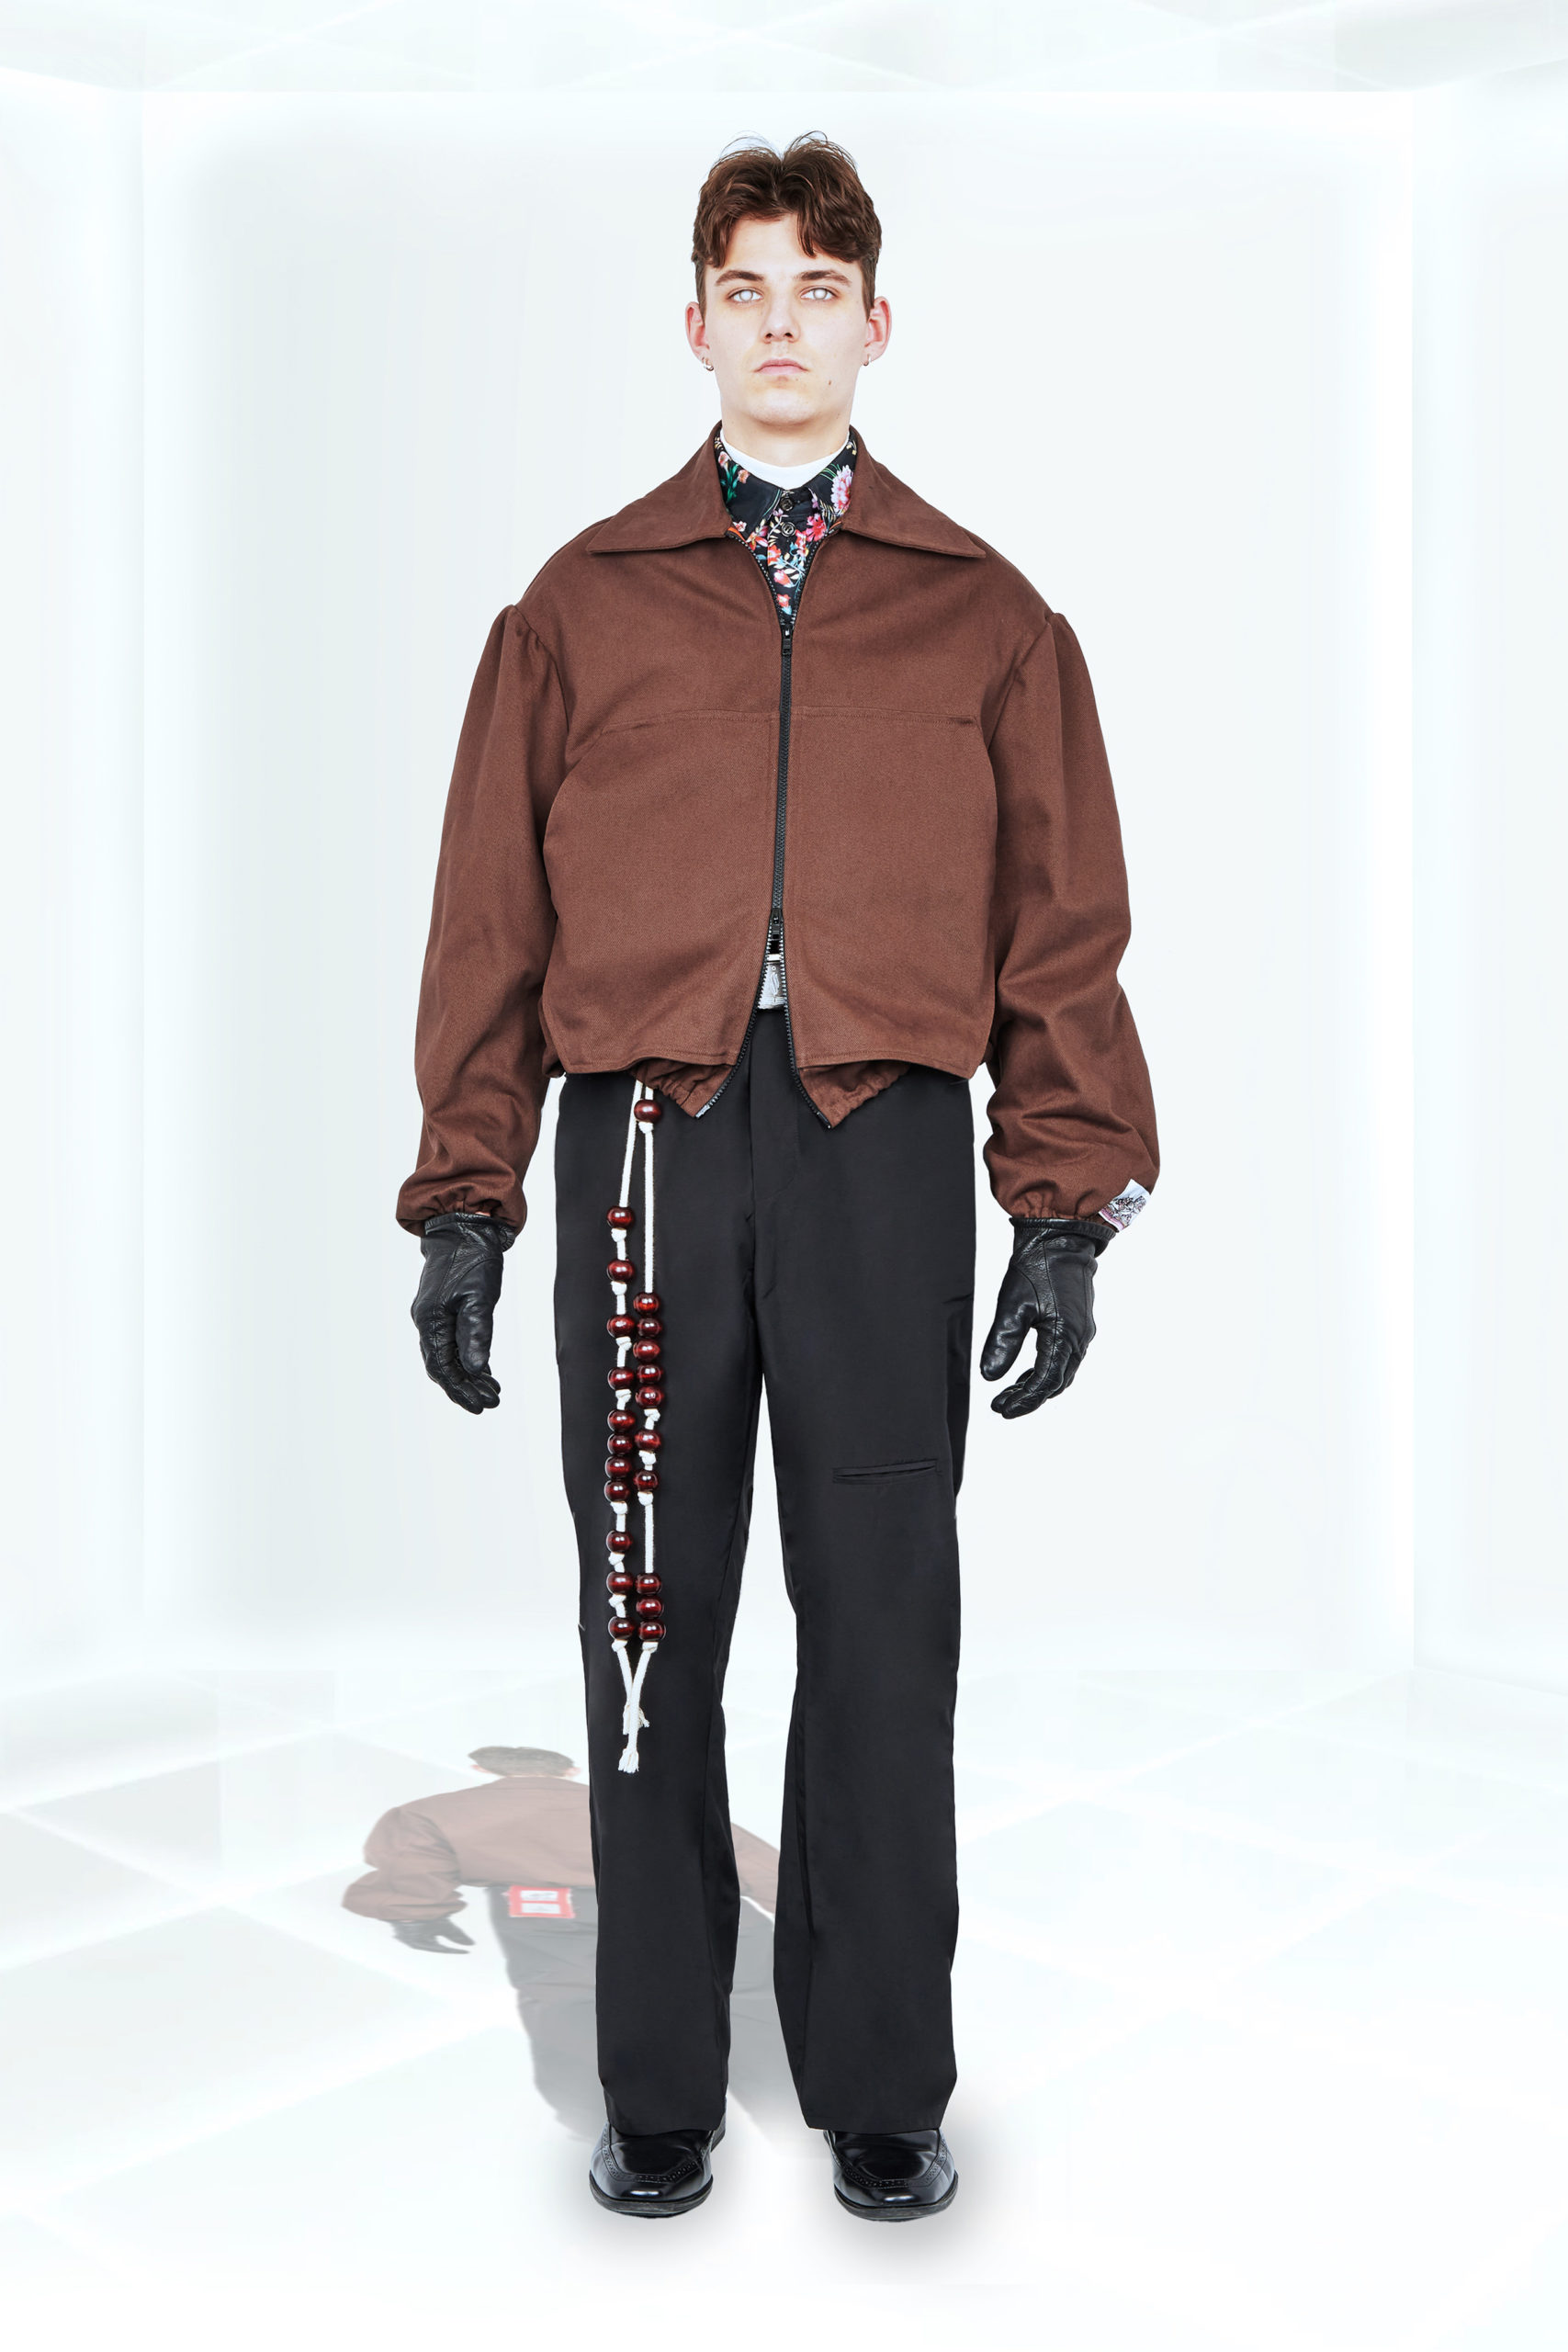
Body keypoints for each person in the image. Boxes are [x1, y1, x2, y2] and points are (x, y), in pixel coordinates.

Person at [398, 134, 1158, 2222]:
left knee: (881, 1619)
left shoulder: (988, 619)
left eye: (816, 290)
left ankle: (880, 2082)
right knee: (650, 1618)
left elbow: (1059, 929)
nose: (780, 325)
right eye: (744, 289)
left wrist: (1061, 1207)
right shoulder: (577, 607)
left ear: (873, 325)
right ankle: (654, 2080)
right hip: (642, 1144)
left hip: (877, 1144)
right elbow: (484, 922)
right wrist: (467, 1197)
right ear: (694, 325)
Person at [342, 1746, 790, 2142]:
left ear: (483, 1770)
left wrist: (417, 1915)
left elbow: (413, 1862)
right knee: (751, 2004)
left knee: (572, 2017)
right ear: (571, 1770)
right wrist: (798, 1925)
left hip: (553, 1919)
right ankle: (791, 2116)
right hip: (691, 1909)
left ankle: (618, 2138)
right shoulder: (657, 1801)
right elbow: (752, 1861)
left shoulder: (432, 1813)